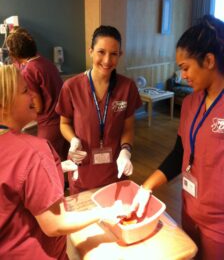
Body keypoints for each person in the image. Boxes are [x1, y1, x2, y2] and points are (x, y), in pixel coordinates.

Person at [0, 64, 126, 260]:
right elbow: (56, 224)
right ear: (3, 104)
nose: (33, 94)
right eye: (25, 90)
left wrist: (55, 168)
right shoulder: (33, 152)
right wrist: (106, 211)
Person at [129, 15, 224, 260]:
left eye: (185, 67)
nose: (182, 76)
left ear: (209, 60)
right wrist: (146, 187)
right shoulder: (191, 103)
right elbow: (180, 153)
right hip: (190, 210)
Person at [56, 25, 142, 194]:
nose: (107, 60)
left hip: (115, 171)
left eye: (114, 54)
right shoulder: (71, 87)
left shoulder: (127, 87)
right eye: (101, 52)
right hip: (83, 170)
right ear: (91, 51)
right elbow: (64, 123)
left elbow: (128, 128)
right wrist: (73, 140)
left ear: (120, 55)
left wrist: (126, 151)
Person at [6, 29, 69, 161]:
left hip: (49, 126)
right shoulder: (45, 62)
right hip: (63, 122)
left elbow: (38, 106)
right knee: (62, 162)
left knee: (47, 163)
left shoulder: (29, 70)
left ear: (14, 53)